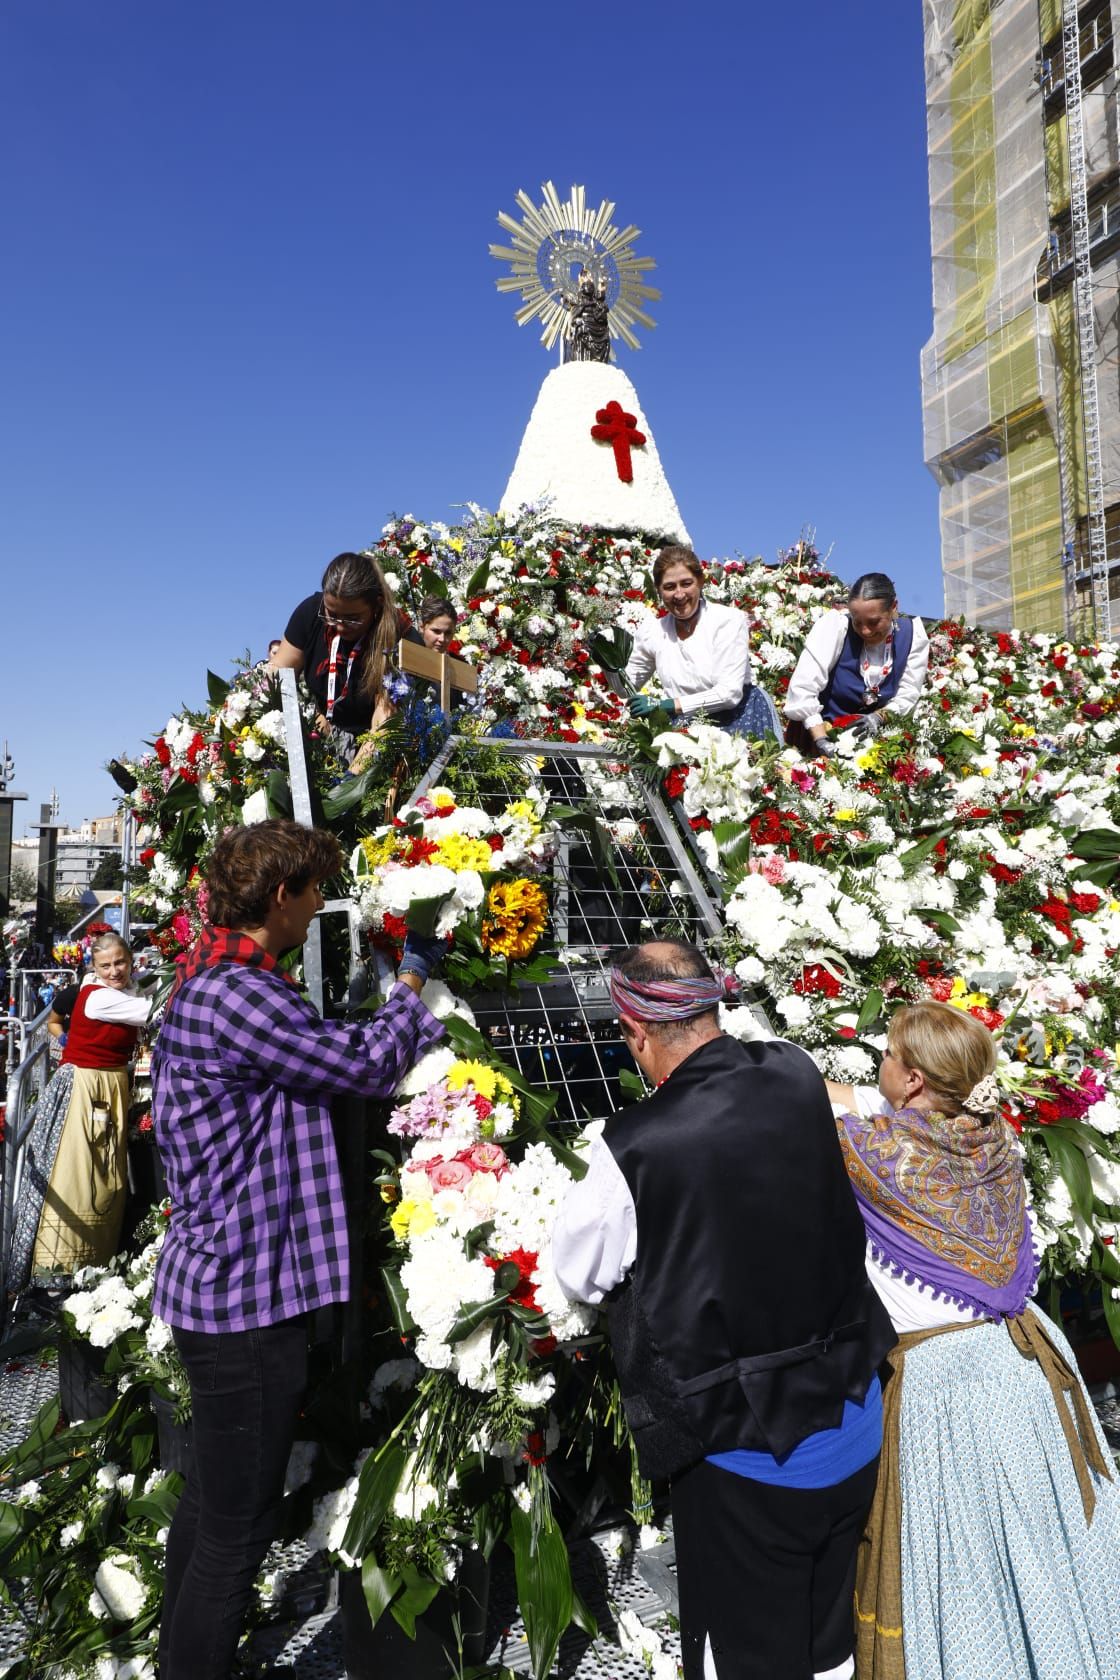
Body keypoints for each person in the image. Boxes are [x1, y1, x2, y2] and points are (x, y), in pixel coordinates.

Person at [151, 818, 446, 1680]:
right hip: (246, 1302)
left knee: (210, 1501)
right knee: (235, 1537)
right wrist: (416, 975)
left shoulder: (215, 978)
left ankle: (179, 1656)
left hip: (224, 1289)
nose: (321, 906)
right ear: (281, 898)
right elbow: (357, 1062)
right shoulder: (240, 996)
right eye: (314, 892)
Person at [553, 940, 895, 1680]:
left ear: (635, 1030)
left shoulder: (635, 1145)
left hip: (749, 1453)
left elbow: (580, 1274)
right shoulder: (795, 1070)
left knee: (745, 1658)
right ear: (711, 1005)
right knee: (832, 1644)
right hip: (856, 1416)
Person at [826, 1002, 1120, 1680]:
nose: (882, 1064)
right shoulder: (996, 1138)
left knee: (969, 1559)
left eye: (892, 1056)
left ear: (914, 1083)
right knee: (1045, 1543)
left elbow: (814, 1098)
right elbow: (897, 1098)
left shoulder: (874, 1153)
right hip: (1025, 1365)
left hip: (946, 1387)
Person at [8, 933, 152, 1294]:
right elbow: (154, 1010)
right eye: (106, 965)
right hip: (90, 1086)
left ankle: (92, 1262)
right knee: (80, 1172)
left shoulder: (109, 990)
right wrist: (61, 1039)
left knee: (98, 1170)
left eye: (120, 962)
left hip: (106, 1083)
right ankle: (62, 1269)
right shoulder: (100, 997)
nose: (115, 970)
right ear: (94, 967)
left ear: (131, 960)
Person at [625, 546, 780, 741]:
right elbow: (626, 686)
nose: (679, 594)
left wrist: (668, 705)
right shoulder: (653, 632)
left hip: (740, 719)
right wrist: (607, 657)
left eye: (686, 583)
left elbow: (729, 693)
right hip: (686, 725)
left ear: (700, 582)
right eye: (670, 587)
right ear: (658, 590)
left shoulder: (727, 621)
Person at [270, 551, 401, 764]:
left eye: (352, 619)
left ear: (376, 606)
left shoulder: (397, 634)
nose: (339, 626)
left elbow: (383, 725)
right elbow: (278, 673)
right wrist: (309, 716)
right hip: (315, 738)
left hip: (368, 750)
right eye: (331, 614)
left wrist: (350, 783)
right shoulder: (311, 612)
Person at [784, 573, 930, 758]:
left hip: (876, 746)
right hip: (819, 737)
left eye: (874, 622)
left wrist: (878, 717)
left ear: (894, 607)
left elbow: (908, 694)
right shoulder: (835, 626)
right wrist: (822, 741)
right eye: (857, 622)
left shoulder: (912, 636)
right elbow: (804, 689)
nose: (865, 631)